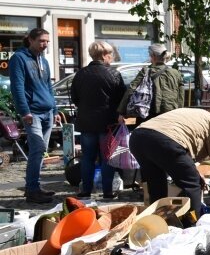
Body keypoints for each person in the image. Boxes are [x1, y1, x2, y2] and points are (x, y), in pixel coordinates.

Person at [128, 108, 210, 215]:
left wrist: (194, 171)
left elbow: (183, 147)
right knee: (193, 184)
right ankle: (192, 224)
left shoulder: (196, 115)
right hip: (164, 140)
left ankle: (158, 221)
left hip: (138, 137)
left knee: (156, 185)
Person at [8, 28, 60, 204]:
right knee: (37, 149)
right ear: (30, 40)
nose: (44, 44)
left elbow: (49, 88)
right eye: (41, 41)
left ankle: (35, 187)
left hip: (47, 113)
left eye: (47, 41)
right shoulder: (19, 58)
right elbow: (17, 87)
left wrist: (55, 110)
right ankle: (32, 189)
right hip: (33, 113)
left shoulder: (43, 61)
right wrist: (25, 111)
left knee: (41, 152)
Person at [70, 41, 126, 199]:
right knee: (107, 157)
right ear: (104, 55)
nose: (112, 57)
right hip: (108, 122)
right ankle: (107, 192)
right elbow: (122, 98)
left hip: (86, 122)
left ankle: (85, 191)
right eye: (111, 54)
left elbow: (75, 97)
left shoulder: (81, 73)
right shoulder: (113, 74)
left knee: (87, 157)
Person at [118, 43, 183, 121]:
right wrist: (179, 111)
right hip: (170, 114)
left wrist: (121, 111)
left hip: (149, 114)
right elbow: (181, 95)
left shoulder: (146, 71)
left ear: (153, 56)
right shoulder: (176, 73)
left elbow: (131, 89)